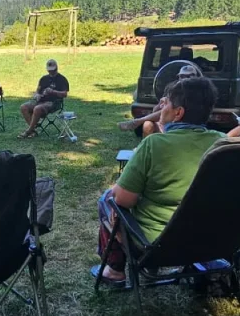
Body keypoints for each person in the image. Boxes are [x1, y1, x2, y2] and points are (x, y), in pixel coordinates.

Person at [93, 76, 224, 286]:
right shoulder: (222, 143)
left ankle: (115, 270)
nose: (161, 108)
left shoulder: (154, 144)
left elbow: (123, 200)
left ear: (178, 113)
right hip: (207, 241)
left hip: (157, 244)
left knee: (107, 198)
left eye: (166, 103)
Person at [117, 63, 204, 137]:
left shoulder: (200, 92)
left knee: (172, 109)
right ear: (178, 77)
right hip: (168, 121)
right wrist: (162, 103)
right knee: (148, 125)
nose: (186, 79)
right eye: (183, 76)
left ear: (196, 78)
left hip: (187, 124)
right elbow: (156, 110)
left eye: (190, 76)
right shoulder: (171, 88)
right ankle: (146, 146)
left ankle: (137, 122)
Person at [19, 59, 69, 138]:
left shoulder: (62, 79)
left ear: (56, 68)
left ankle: (29, 131)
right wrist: (37, 95)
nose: (51, 72)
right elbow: (37, 91)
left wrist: (53, 91)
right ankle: (32, 131)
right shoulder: (43, 79)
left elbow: (64, 94)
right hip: (40, 100)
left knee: (37, 108)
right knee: (24, 107)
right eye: (49, 70)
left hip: (53, 102)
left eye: (52, 70)